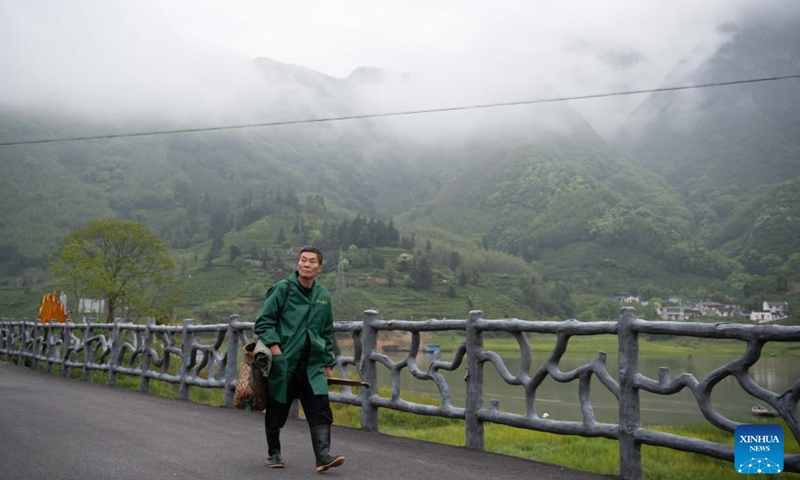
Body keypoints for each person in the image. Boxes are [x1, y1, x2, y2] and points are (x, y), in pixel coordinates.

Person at [254, 246, 345, 473]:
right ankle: (273, 452)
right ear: (297, 264)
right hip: (285, 363)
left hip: (313, 366)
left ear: (320, 267)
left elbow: (326, 332)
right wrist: (276, 350)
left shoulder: (323, 296)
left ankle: (323, 456)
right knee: (278, 408)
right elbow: (263, 322)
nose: (306, 264)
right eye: (303, 260)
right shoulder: (283, 289)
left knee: (320, 407)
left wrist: (327, 364)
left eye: (312, 261)